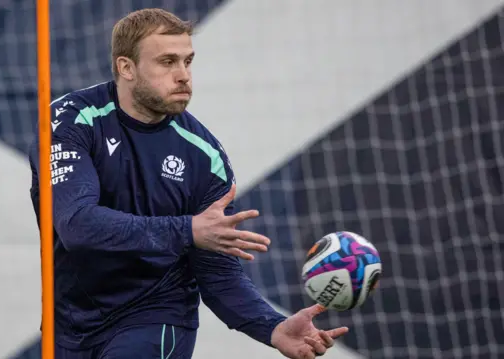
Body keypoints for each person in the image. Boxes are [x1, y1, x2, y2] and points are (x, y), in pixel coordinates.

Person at [28, 8, 348, 359]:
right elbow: (77, 226)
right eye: (167, 62)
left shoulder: (204, 157)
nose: (183, 76)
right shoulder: (71, 120)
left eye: (187, 61)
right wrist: (187, 230)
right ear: (126, 67)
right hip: (68, 320)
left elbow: (218, 274)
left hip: (155, 316)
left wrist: (271, 326)